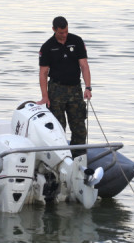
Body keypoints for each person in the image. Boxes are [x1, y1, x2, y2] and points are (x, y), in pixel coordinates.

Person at [36, 16, 92, 155]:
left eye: (66, 31)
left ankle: (79, 159)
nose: (64, 35)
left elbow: (84, 65)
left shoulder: (76, 41)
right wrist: (45, 96)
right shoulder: (47, 47)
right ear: (54, 30)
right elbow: (43, 73)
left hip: (75, 89)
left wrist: (88, 87)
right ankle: (60, 158)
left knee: (79, 127)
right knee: (58, 128)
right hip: (56, 90)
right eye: (61, 33)